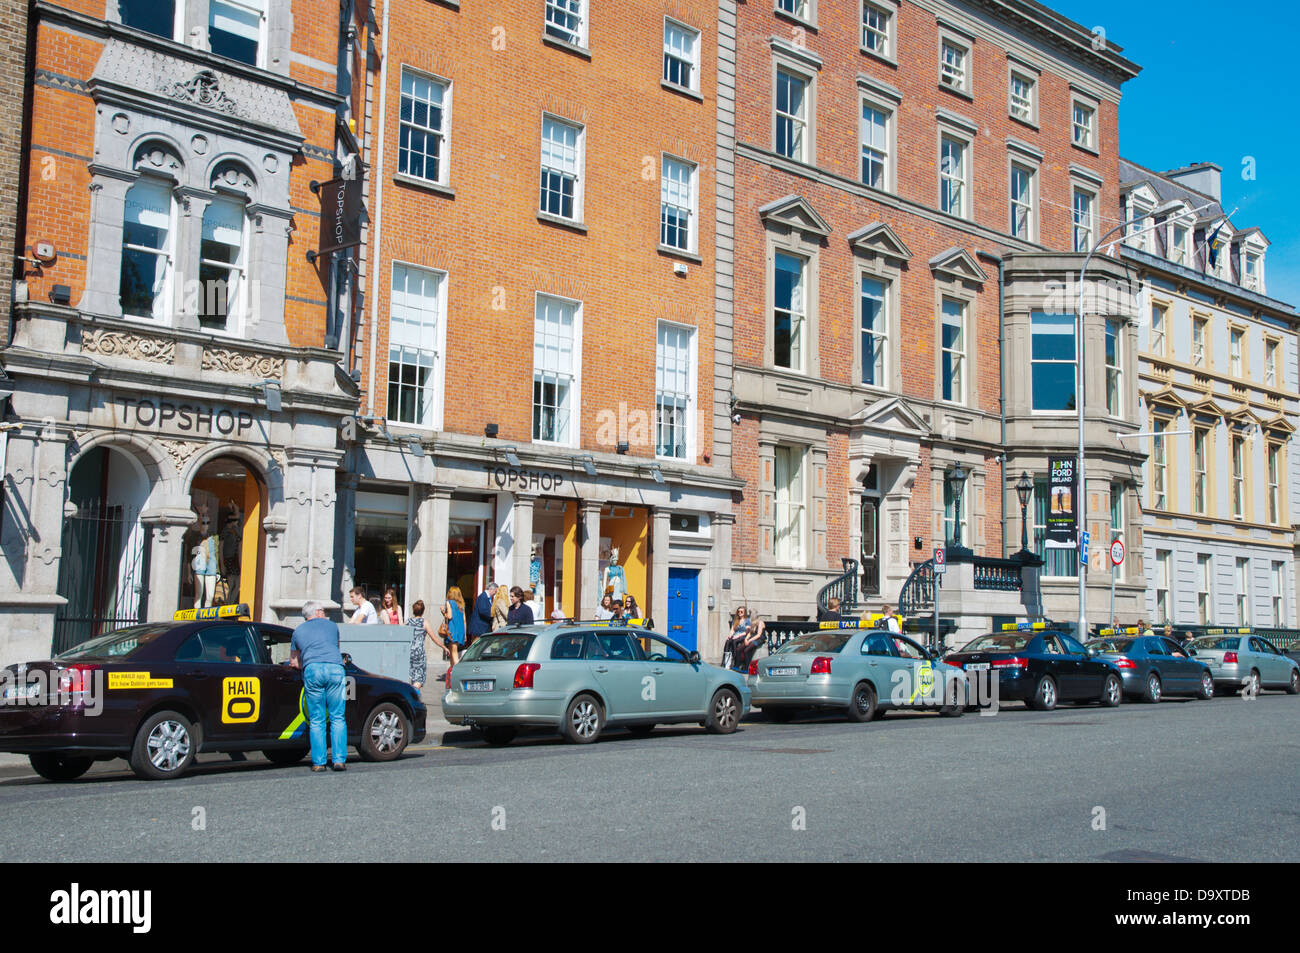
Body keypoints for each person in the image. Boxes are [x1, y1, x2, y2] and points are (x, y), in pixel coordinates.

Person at [290, 602, 348, 772]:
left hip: (313, 669)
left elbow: (294, 661)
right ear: (317, 612)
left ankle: (318, 763)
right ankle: (339, 761)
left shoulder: (298, 631)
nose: (325, 613)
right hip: (335, 669)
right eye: (323, 610)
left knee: (317, 718)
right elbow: (336, 648)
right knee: (338, 716)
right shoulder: (332, 626)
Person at [407, 599, 445, 691]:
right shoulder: (424, 623)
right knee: (419, 678)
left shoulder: (407, 622)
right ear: (423, 611)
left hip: (409, 652)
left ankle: (414, 697)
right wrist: (443, 647)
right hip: (419, 653)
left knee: (413, 677)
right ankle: (413, 693)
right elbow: (434, 638)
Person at [442, 586, 468, 666]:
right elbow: (464, 620)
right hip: (460, 630)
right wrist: (465, 634)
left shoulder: (449, 602)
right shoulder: (461, 605)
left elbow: (449, 616)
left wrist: (443, 611)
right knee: (453, 649)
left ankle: (456, 670)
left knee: (453, 651)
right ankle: (452, 671)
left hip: (452, 629)